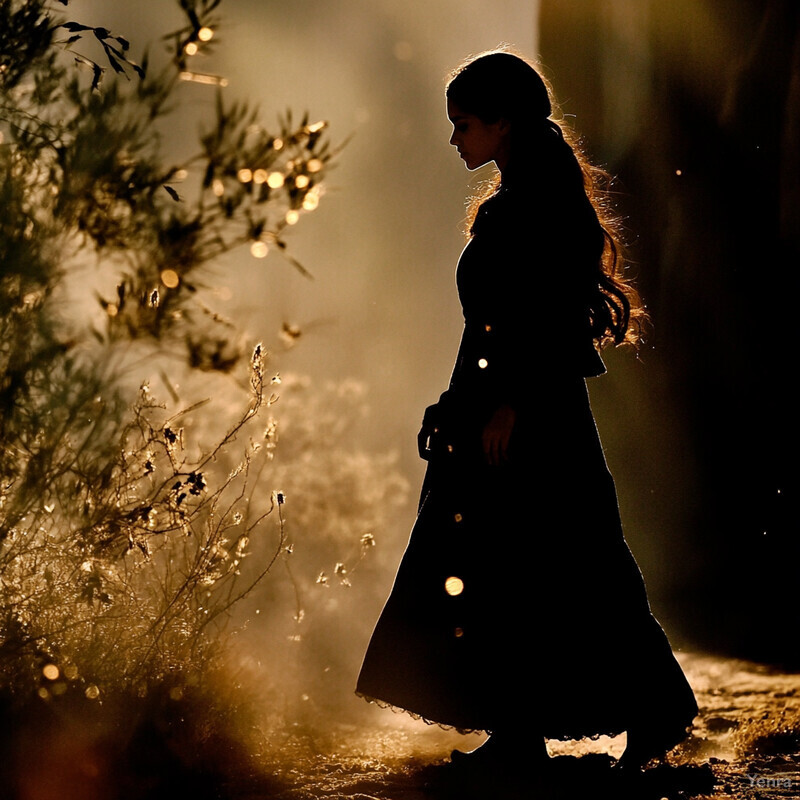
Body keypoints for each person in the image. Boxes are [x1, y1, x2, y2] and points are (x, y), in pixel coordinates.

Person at [356, 48, 697, 772]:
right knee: (505, 570)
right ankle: (517, 730)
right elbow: (489, 325)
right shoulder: (511, 205)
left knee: (569, 565)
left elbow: (546, 319)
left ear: (502, 123)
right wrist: (456, 403)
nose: (456, 139)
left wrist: (511, 404)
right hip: (498, 407)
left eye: (465, 124)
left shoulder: (537, 210)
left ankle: (654, 711)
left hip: (533, 415)